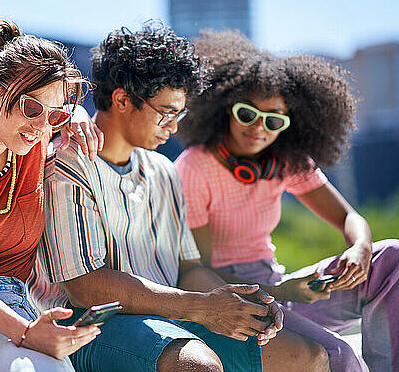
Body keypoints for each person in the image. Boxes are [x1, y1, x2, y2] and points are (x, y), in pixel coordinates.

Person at [29, 22, 336, 372]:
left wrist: (237, 303)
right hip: (93, 329)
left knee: (307, 357)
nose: (174, 127)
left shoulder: (163, 170)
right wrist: (202, 308)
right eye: (166, 112)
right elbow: (88, 287)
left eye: (180, 114)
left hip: (173, 316)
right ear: (122, 100)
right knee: (198, 367)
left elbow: (188, 268)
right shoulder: (66, 167)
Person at [174, 29, 399, 372]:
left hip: (280, 284)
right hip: (234, 297)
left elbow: (350, 218)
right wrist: (284, 293)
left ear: (288, 124)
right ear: (225, 109)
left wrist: (360, 249)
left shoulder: (287, 161)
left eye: (273, 120)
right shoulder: (194, 167)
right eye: (247, 114)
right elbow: (198, 274)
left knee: (391, 258)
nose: (258, 128)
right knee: (339, 356)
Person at [0, 20, 104, 372]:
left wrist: (74, 113)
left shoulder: (35, 139)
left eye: (55, 115)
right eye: (31, 109)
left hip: (25, 308)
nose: (42, 126)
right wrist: (27, 334)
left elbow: (53, 113)